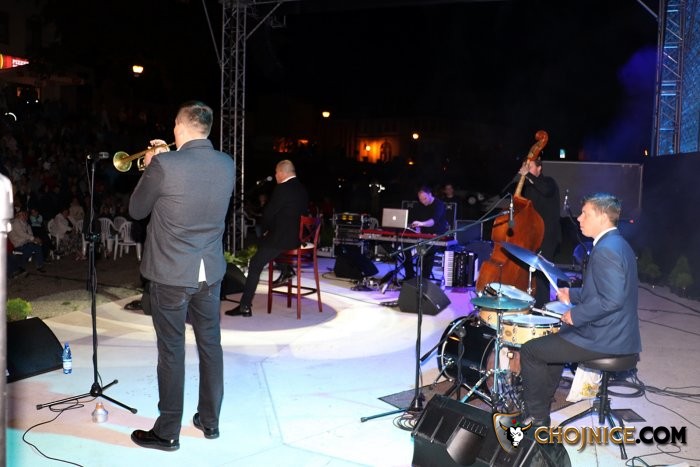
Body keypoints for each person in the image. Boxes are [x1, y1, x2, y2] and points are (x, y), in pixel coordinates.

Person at [128, 101, 235, 451]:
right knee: (210, 346)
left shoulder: (165, 164)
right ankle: (210, 421)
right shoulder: (227, 163)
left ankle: (168, 431)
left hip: (171, 273)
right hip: (210, 272)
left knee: (172, 351)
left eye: (174, 125)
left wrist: (151, 166)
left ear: (181, 126)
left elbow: (136, 209)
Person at [519, 193, 641, 427]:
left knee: (531, 350)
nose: (579, 218)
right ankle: (542, 403)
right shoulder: (617, 243)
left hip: (606, 337)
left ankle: (536, 418)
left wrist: (576, 315)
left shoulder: (606, 250)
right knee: (557, 340)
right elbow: (605, 289)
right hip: (617, 331)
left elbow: (612, 299)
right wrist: (572, 294)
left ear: (603, 216)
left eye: (585, 213)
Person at [226, 159, 309, 317]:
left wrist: (265, 229)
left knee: (255, 263)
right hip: (295, 238)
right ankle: (286, 269)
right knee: (264, 243)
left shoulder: (282, 188)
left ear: (283, 173)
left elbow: (269, 213)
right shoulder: (301, 188)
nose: (275, 175)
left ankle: (244, 306)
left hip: (283, 239)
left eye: (276, 172)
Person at [517, 157, 562, 307]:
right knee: (530, 271)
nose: (527, 169)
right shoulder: (529, 187)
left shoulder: (548, 182)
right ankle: (530, 302)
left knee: (542, 273)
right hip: (533, 235)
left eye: (530, 166)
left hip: (548, 235)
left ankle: (543, 307)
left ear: (539, 168)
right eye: (525, 166)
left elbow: (545, 190)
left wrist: (528, 175)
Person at [404, 185, 449, 281]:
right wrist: (415, 227)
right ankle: (409, 276)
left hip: (437, 235)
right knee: (404, 248)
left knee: (428, 251)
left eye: (424, 198)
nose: (423, 201)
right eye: (420, 199)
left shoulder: (439, 205)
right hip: (422, 235)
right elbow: (413, 220)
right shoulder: (419, 205)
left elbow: (433, 221)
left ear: (430, 194)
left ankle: (424, 279)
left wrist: (421, 224)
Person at [8, 207, 46, 273]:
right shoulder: (16, 222)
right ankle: (21, 266)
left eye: (25, 214)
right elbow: (21, 234)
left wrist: (35, 241)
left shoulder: (27, 224)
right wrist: (33, 239)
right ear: (18, 215)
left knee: (37, 246)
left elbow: (30, 235)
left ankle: (39, 265)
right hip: (18, 243)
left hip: (25, 243)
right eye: (22, 214)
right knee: (30, 248)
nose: (25, 216)